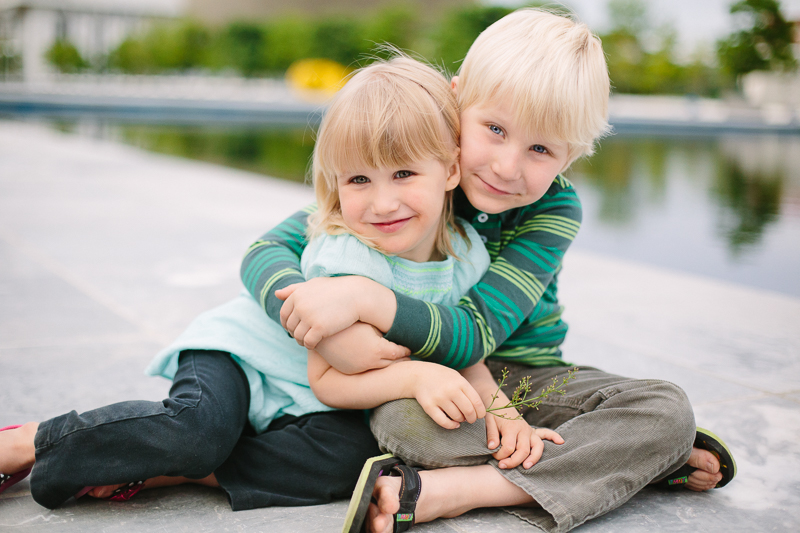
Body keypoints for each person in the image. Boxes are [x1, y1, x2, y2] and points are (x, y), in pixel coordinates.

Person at [241, 9, 736, 533]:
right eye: (494, 129)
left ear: (570, 158)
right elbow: (266, 249)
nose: (505, 166)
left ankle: (460, 490)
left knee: (666, 411)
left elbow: (475, 334)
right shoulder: (417, 172)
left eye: (541, 149)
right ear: (457, 103)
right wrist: (320, 323)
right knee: (408, 423)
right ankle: (622, 462)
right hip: (427, 380)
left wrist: (366, 301)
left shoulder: (552, 209)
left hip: (523, 373)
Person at [0, 56, 504, 512]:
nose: (381, 204)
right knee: (196, 430)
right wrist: (416, 377)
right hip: (245, 361)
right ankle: (30, 442)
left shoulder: (465, 252)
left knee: (350, 457)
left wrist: (499, 407)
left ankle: (165, 470)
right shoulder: (348, 252)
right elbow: (328, 382)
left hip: (304, 399)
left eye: (403, 173)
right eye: (358, 180)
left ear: (451, 169)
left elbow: (466, 347)